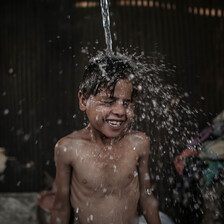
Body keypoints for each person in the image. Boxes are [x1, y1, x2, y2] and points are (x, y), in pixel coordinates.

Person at [51, 55, 161, 224]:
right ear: (83, 100)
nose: (120, 111)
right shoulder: (68, 148)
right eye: (109, 101)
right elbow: (60, 208)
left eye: (127, 103)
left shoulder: (138, 143)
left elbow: (147, 198)